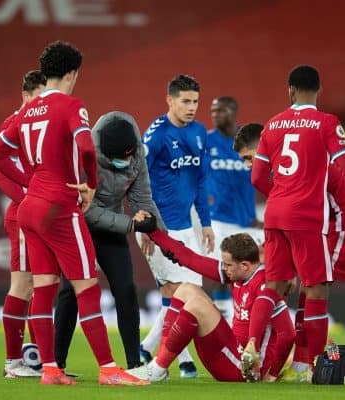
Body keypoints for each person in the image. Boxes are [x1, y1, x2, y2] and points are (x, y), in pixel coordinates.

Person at [0, 41, 148, 386]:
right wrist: (89, 184)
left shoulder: (24, 112)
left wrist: (31, 181)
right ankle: (108, 369)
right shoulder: (71, 105)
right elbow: (87, 146)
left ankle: (49, 369)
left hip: (29, 208)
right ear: (74, 73)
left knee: (44, 286)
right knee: (87, 287)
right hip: (61, 204)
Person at [234, 123, 345, 382]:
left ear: (262, 148)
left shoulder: (289, 172)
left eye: (248, 158)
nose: (249, 165)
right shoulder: (294, 163)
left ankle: (306, 365)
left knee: (313, 285)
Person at [53, 112, 165, 371]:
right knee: (71, 291)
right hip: (79, 226)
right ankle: (57, 364)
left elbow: (142, 197)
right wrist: (132, 225)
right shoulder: (83, 155)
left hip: (113, 226)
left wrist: (159, 234)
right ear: (102, 151)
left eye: (128, 157)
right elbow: (86, 210)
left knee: (126, 290)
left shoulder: (137, 151)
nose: (124, 162)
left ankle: (134, 365)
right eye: (118, 159)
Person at [129, 231, 295, 383]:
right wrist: (155, 233)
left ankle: (158, 368)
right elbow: (192, 260)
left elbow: (287, 334)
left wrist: (272, 375)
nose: (224, 268)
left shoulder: (266, 286)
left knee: (197, 305)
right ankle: (159, 365)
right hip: (229, 353)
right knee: (186, 288)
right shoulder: (238, 275)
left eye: (228, 265)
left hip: (245, 369)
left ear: (245, 265)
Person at [137, 74, 214, 377]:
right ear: (169, 100)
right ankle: (177, 359)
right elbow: (138, 178)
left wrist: (205, 224)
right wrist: (146, 223)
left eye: (195, 101)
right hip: (161, 228)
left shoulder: (198, 133)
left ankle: (149, 348)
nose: (192, 107)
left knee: (186, 293)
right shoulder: (155, 135)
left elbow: (200, 179)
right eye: (185, 101)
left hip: (188, 226)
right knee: (179, 291)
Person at [0, 70, 46, 378]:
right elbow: (1, 174)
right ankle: (13, 363)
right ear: (25, 97)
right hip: (24, 215)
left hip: (39, 214)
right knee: (24, 285)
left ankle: (39, 361)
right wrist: (31, 196)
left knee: (40, 285)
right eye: (38, 97)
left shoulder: (36, 125)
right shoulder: (13, 125)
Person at [206, 96, 263, 322]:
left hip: (247, 220)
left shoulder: (247, 140)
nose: (215, 114)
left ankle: (248, 317)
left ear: (233, 111)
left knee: (252, 272)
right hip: (218, 218)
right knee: (223, 272)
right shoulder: (207, 141)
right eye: (212, 110)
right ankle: (226, 322)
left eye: (220, 110)